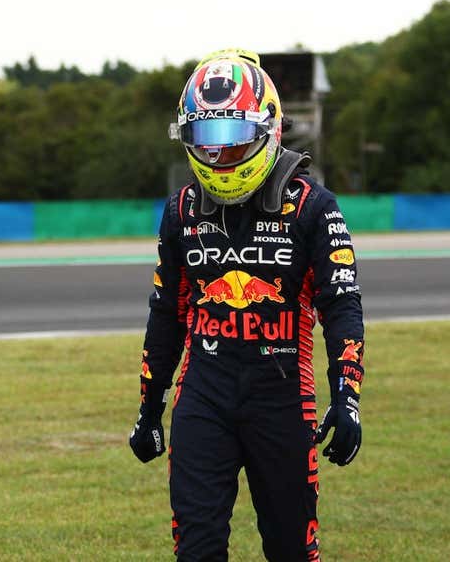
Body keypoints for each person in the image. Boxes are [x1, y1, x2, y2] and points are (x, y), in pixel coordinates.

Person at [129, 49, 365, 561]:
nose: (218, 155)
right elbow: (165, 313)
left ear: (267, 128)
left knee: (291, 550)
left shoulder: (313, 207)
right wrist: (150, 406)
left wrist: (347, 395)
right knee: (197, 549)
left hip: (282, 398)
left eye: (231, 137)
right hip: (203, 394)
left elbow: (341, 305)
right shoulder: (180, 210)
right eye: (206, 139)